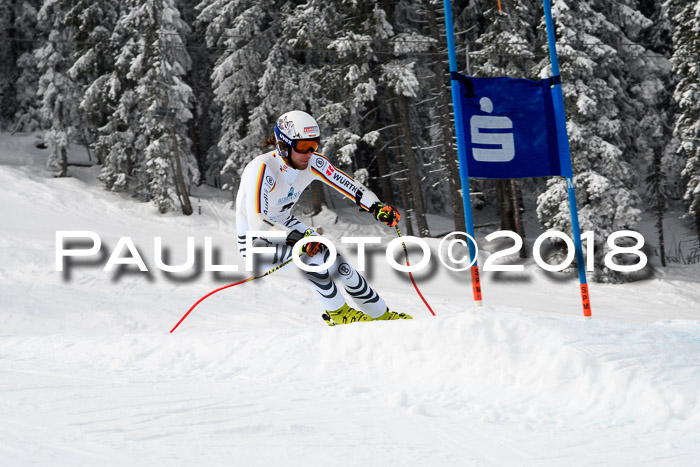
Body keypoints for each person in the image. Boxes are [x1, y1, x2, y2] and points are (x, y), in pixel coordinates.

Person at [235, 110, 412, 325]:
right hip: (256, 242)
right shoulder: (262, 168)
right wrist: (297, 238)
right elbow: (257, 221)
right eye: (302, 147)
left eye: (314, 145)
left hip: (286, 224)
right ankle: (337, 314)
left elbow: (348, 185)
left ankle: (381, 315)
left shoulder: (312, 163)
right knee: (313, 257)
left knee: (338, 263)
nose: (309, 153)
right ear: (283, 145)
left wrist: (376, 207)